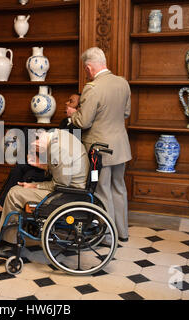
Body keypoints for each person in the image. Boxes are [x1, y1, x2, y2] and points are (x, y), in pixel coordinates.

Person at [0, 93, 81, 218]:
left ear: (79, 108)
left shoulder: (77, 128)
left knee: (28, 173)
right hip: (51, 162)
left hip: (59, 171)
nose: (66, 103)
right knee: (19, 166)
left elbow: (62, 159)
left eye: (71, 101)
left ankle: (0, 208)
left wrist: (41, 164)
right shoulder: (64, 122)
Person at [0, 128, 89, 254]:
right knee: (17, 190)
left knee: (14, 194)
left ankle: (9, 245)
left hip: (67, 193)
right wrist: (42, 169)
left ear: (38, 144)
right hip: (70, 187)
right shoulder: (57, 135)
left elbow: (60, 183)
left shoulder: (57, 148)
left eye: (38, 151)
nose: (40, 153)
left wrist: (35, 186)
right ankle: (5, 239)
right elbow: (62, 170)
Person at [67, 47, 131, 242]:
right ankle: (122, 233)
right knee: (119, 188)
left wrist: (72, 115)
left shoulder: (93, 87)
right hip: (121, 147)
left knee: (102, 191)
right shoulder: (123, 83)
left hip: (99, 150)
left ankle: (107, 238)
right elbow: (126, 113)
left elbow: (83, 122)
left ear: (88, 67)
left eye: (85, 69)